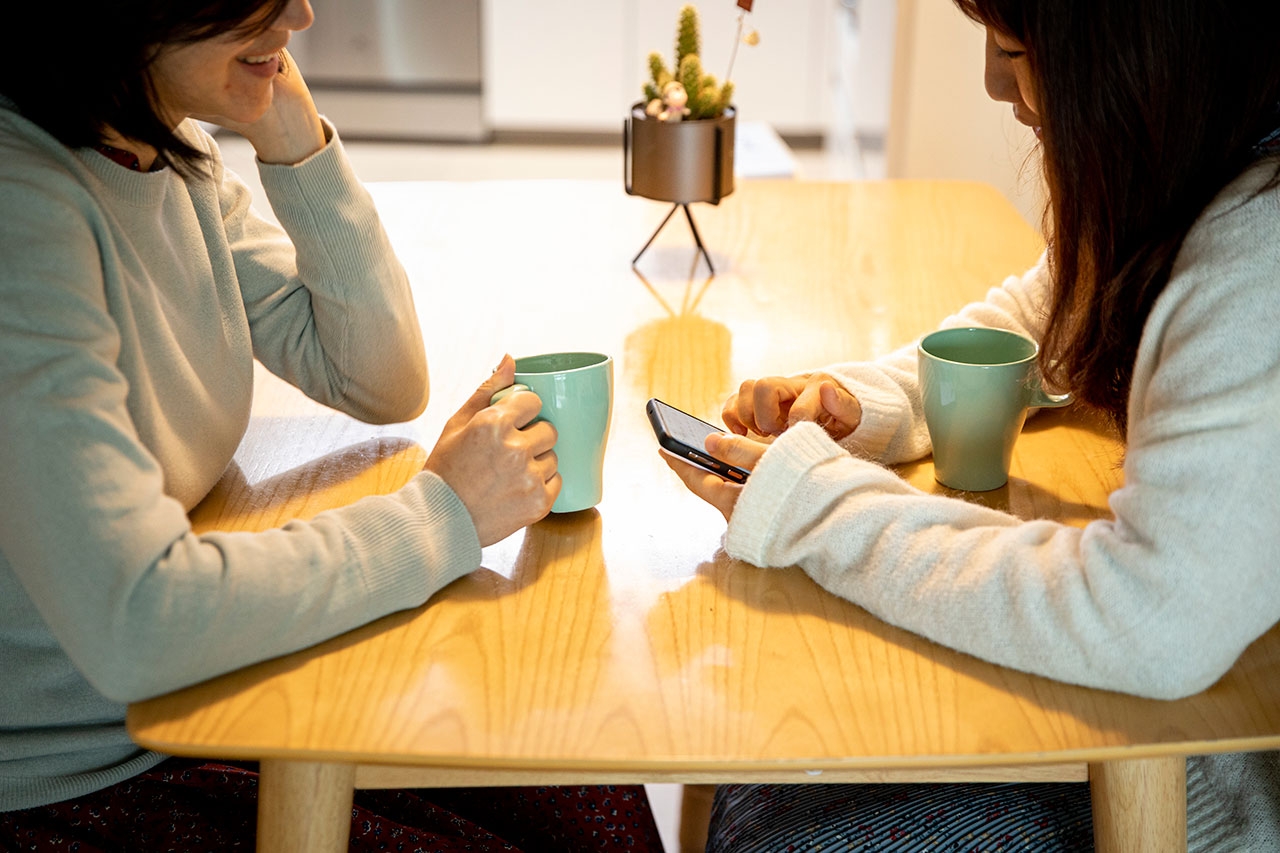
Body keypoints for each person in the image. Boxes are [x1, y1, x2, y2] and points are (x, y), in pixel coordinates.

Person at [0, 1, 663, 849]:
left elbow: (378, 376)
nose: (303, 15)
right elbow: (140, 622)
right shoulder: (25, 210)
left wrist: (291, 131)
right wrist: (443, 513)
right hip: (80, 777)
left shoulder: (158, 148)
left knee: (580, 774)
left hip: (199, 695)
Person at [662, 0, 1280, 849]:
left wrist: (817, 506)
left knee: (777, 785)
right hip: (1166, 742)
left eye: (1012, 46)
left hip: (1215, 795)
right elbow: (1040, 320)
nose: (995, 82)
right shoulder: (1203, 178)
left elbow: (1146, 617)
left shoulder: (1258, 257)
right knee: (766, 736)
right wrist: (865, 404)